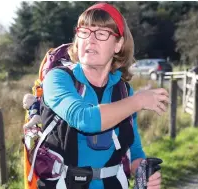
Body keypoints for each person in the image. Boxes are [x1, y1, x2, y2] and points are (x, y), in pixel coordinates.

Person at [41, 2, 169, 189]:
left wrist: (142, 170)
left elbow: (134, 151)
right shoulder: (57, 79)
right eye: (84, 32)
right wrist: (138, 101)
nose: (90, 40)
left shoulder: (123, 91)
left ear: (118, 44)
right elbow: (84, 119)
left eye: (101, 33)